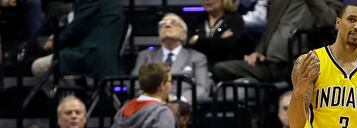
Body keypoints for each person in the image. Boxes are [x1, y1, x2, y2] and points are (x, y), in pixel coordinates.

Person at [212, 0, 342, 83]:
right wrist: (258, 51)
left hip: (297, 66)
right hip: (268, 64)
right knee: (220, 69)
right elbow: (270, 27)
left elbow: (330, 21)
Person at [30, 0, 124, 80]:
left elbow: (78, 27)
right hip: (104, 57)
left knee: (38, 67)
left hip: (90, 56)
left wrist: (55, 42)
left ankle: (69, 99)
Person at [133, 13, 210, 102]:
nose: (167, 25)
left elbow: (202, 88)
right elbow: (135, 85)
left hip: (183, 108)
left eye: (173, 23)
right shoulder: (145, 56)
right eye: (163, 24)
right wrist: (155, 100)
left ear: (183, 34)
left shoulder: (197, 57)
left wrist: (178, 101)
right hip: (150, 106)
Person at [189, 0, 246, 68]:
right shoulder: (199, 18)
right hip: (197, 64)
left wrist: (197, 40)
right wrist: (219, 39)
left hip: (222, 67)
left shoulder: (234, 19)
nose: (207, 1)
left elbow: (228, 45)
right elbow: (187, 42)